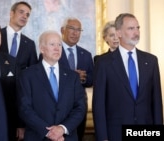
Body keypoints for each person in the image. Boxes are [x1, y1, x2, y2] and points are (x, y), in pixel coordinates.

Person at [92, 13, 163, 141]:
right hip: (116, 133)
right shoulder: (103, 63)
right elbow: (99, 104)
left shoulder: (151, 61)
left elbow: (156, 103)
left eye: (137, 28)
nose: (136, 32)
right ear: (119, 33)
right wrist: (103, 138)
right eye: (131, 28)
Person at [17, 30, 86, 141]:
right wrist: (48, 132)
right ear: (42, 48)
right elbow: (25, 109)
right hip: (38, 136)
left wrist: (62, 129)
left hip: (66, 137)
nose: (57, 48)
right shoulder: (27, 75)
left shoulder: (72, 77)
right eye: (52, 44)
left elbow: (80, 108)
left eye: (59, 44)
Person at [59, 17, 94, 141]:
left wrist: (83, 78)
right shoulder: (52, 51)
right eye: (72, 29)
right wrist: (72, 76)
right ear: (62, 30)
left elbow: (92, 80)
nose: (75, 33)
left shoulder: (86, 54)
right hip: (58, 106)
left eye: (79, 30)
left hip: (79, 108)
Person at [0, 1, 38, 70]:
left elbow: (33, 71)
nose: (25, 16)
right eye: (21, 12)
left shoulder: (30, 44)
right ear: (11, 13)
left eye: (27, 15)